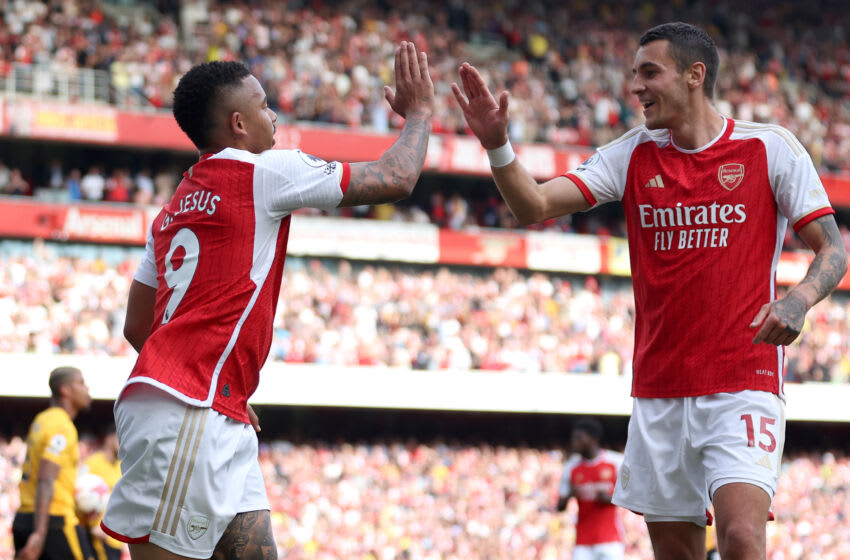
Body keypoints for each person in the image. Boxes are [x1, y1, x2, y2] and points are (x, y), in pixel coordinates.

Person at [452, 21, 848, 560]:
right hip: (659, 391)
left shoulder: (770, 149)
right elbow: (533, 206)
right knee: (676, 553)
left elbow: (832, 250)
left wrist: (798, 300)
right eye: (634, 74)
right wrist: (497, 144)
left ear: (694, 75)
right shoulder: (631, 155)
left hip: (742, 380)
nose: (635, 87)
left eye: (649, 73)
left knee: (741, 537)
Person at [101, 40, 433, 560]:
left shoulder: (172, 210)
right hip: (188, 408)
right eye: (262, 105)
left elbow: (136, 326)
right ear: (238, 123)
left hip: (210, 404)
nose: (273, 114)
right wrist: (420, 113)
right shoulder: (263, 171)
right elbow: (397, 177)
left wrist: (217, 376)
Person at [13, 366, 94, 560]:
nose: (87, 388)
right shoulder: (61, 426)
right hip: (53, 521)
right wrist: (40, 534)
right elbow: (46, 479)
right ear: (65, 390)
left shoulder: (42, 419)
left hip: (25, 516)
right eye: (81, 383)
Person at [556, 417, 624, 560]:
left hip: (610, 540)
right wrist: (570, 495)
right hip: (583, 542)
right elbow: (559, 507)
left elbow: (629, 498)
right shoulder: (571, 467)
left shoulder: (614, 462)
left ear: (592, 438)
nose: (574, 442)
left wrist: (609, 499)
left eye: (579, 437)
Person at [80, 425, 123, 560]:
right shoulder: (92, 463)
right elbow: (78, 494)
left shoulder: (123, 466)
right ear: (109, 438)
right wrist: (92, 526)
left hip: (117, 539)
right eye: (120, 437)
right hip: (98, 538)